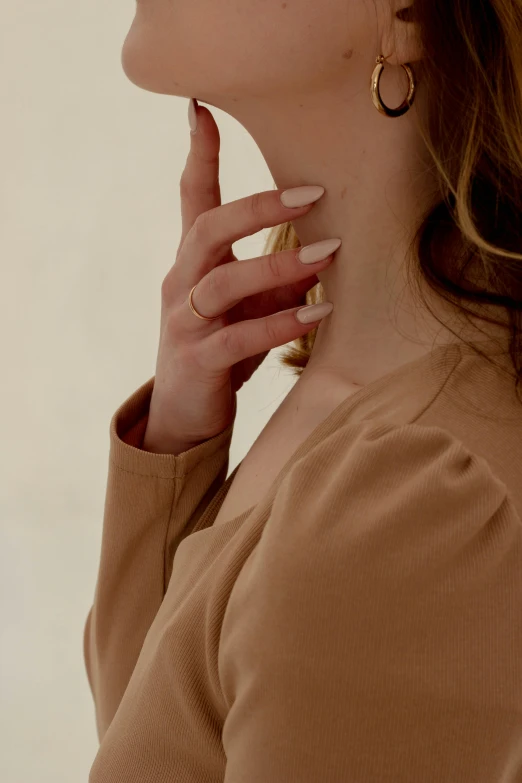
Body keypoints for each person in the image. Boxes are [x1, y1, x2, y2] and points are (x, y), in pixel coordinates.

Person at [84, 1, 522, 781]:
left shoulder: (407, 506)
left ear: (408, 17)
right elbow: (147, 741)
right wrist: (175, 448)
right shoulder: (367, 413)